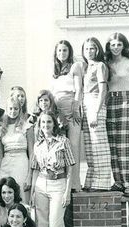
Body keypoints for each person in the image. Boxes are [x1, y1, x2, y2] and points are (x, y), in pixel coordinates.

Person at [30, 110, 74, 227]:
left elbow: (70, 168)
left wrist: (67, 192)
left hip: (59, 185)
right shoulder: (37, 145)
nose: (46, 126)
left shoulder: (63, 142)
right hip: (41, 184)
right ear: (39, 126)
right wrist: (33, 191)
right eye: (43, 123)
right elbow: (35, 169)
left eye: (49, 122)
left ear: (54, 125)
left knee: (56, 226)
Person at [105, 32, 129, 197]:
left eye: (119, 44)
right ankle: (119, 182)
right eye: (113, 45)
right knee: (113, 145)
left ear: (124, 46)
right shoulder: (107, 63)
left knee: (125, 145)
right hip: (110, 102)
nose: (116, 48)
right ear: (109, 46)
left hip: (126, 102)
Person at [52, 40, 83, 192]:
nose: (62, 53)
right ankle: (64, 183)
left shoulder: (75, 66)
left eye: (65, 50)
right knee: (61, 146)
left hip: (71, 107)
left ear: (69, 52)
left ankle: (75, 184)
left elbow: (78, 89)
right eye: (59, 51)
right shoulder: (56, 69)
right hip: (58, 109)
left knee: (73, 146)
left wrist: (76, 108)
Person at [81, 37, 111, 191]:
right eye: (86, 49)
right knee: (90, 145)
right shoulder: (86, 67)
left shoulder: (100, 66)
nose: (89, 51)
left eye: (92, 48)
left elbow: (103, 91)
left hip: (95, 105)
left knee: (99, 144)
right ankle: (92, 180)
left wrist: (96, 112)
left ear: (97, 49)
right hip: (86, 104)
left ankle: (102, 183)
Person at [0, 97, 33, 203]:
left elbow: (32, 153)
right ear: (6, 110)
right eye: (10, 108)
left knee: (21, 196)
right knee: (5, 196)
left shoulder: (27, 127)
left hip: (21, 164)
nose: (13, 111)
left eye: (16, 108)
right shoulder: (1, 129)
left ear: (20, 110)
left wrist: (29, 176)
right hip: (5, 165)